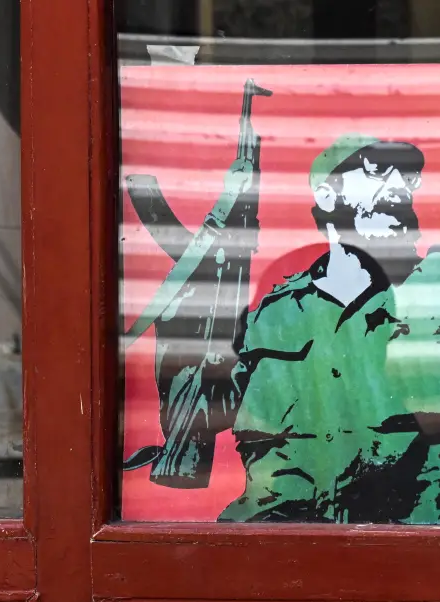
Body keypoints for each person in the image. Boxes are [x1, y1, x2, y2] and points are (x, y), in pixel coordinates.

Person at [153, 135, 440, 522]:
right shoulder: (267, 320)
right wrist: (193, 301)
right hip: (275, 547)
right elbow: (199, 420)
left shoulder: (427, 298)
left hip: (399, 548)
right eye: (374, 170)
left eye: (405, 178)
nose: (397, 187)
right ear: (326, 197)